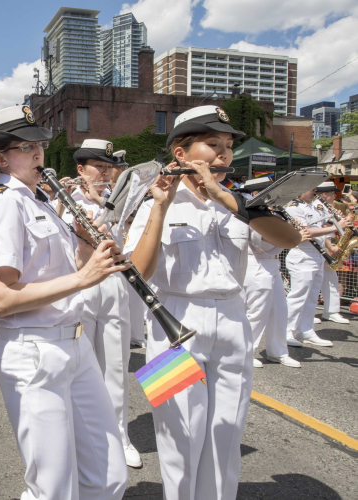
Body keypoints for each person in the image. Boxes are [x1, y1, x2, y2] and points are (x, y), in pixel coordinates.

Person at [126, 105, 300, 500]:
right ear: (181, 155)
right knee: (177, 435)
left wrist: (226, 198)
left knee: (226, 433)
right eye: (212, 144)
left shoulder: (239, 203)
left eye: (227, 146)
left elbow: (290, 240)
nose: (223, 154)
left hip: (233, 321)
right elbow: (138, 271)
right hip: (172, 323)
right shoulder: (156, 200)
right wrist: (159, 207)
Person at [0, 106, 129, 499]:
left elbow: (69, 272)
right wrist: (84, 277)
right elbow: (2, 299)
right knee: (53, 487)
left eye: (41, 146)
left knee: (110, 473)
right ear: (2, 159)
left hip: (75, 342)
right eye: (27, 147)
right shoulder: (5, 204)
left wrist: (85, 242)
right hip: (35, 349)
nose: (38, 154)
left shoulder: (42, 201)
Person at [60, 140, 142, 468]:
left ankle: (120, 435)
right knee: (81, 365)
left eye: (109, 167)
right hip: (79, 285)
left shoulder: (116, 200)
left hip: (113, 285)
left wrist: (104, 202)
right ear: (81, 169)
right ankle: (81, 435)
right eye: (98, 166)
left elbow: (130, 236)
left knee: (116, 364)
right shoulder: (62, 199)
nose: (106, 172)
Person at [239, 178, 301, 369]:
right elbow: (262, 245)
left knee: (279, 311)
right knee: (258, 311)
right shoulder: (248, 212)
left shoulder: (272, 213)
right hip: (257, 264)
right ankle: (246, 352)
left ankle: (278, 351)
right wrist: (290, 237)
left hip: (271, 266)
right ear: (256, 194)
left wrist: (289, 231)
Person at [285, 186, 349, 349]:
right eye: (310, 189)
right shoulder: (294, 207)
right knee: (298, 296)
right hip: (303, 254)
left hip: (317, 255)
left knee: (312, 296)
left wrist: (335, 219)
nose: (314, 191)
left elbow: (322, 228)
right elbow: (305, 231)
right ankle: (285, 330)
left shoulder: (314, 206)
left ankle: (305, 331)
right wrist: (336, 226)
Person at [314, 182, 351, 324]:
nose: (335, 196)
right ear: (325, 194)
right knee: (311, 284)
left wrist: (343, 220)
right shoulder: (316, 207)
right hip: (319, 248)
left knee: (331, 281)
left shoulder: (326, 207)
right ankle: (306, 314)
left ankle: (331, 311)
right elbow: (319, 230)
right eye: (333, 193)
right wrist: (331, 247)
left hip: (324, 247)